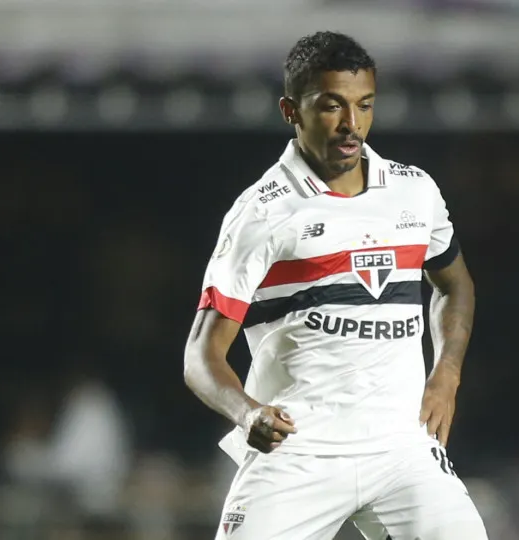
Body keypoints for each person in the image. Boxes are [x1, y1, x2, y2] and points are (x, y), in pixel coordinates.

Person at [184, 31, 487, 540]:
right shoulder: (263, 212)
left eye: (364, 105)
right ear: (291, 111)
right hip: (299, 452)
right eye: (332, 106)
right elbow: (200, 356)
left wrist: (446, 376)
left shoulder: (414, 191)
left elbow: (455, 285)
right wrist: (248, 414)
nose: (352, 124)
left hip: (401, 448)